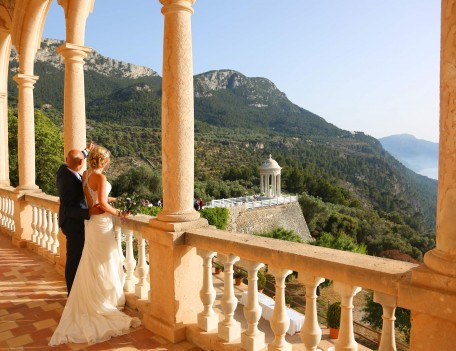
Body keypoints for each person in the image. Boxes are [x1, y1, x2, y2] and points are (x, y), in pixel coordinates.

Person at [50, 145, 141, 346]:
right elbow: (100, 205)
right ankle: (101, 300)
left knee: (93, 261)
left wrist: (118, 200)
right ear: (105, 162)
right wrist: (120, 213)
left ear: (89, 159)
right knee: (104, 260)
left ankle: (87, 297)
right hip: (100, 223)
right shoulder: (100, 177)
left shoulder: (84, 175)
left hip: (91, 224)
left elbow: (95, 197)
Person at [57, 144, 101, 295]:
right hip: (72, 224)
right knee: (74, 260)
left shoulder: (63, 169)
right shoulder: (69, 182)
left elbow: (76, 157)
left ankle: (80, 290)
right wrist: (89, 212)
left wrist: (86, 151)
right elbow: (69, 209)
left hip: (70, 221)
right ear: (81, 163)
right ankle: (72, 295)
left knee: (79, 258)